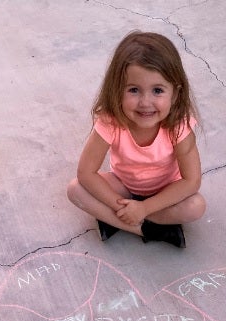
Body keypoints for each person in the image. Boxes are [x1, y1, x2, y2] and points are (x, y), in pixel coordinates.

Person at [67, 31, 206, 248]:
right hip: (123, 186)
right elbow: (86, 173)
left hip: (165, 191)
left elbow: (191, 181)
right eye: (134, 90)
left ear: (175, 94)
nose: (145, 102)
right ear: (117, 91)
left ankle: (117, 221)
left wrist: (143, 209)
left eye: (158, 90)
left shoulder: (179, 126)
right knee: (76, 190)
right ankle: (146, 229)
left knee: (195, 206)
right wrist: (123, 207)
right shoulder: (111, 122)